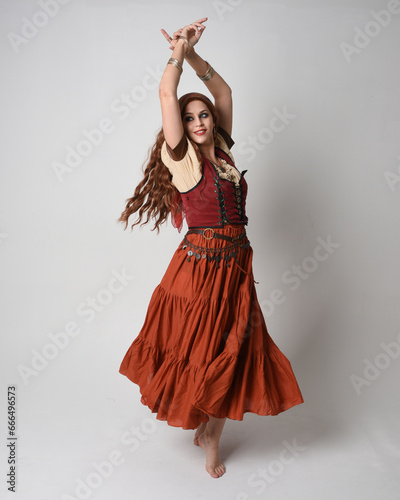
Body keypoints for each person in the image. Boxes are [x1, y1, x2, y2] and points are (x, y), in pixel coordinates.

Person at [118, 18, 304, 479]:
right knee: (206, 353)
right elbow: (167, 94)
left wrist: (197, 55)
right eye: (190, 117)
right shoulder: (180, 158)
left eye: (203, 116)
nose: (200, 122)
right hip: (199, 271)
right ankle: (209, 445)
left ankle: (208, 433)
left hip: (235, 267)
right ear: (178, 126)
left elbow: (224, 94)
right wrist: (176, 52)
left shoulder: (221, 148)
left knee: (233, 350)